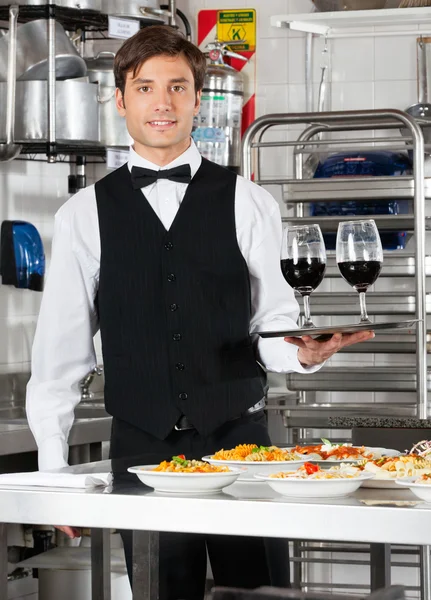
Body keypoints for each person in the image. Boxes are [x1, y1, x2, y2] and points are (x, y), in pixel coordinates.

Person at [26, 25, 374, 600]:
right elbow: (59, 356)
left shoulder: (249, 201)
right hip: (143, 451)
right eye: (144, 88)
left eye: (177, 87)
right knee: (162, 592)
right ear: (120, 100)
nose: (161, 102)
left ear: (195, 99)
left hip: (243, 445)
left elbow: (270, 325)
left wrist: (302, 352)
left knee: (259, 593)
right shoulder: (82, 214)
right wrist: (53, 473)